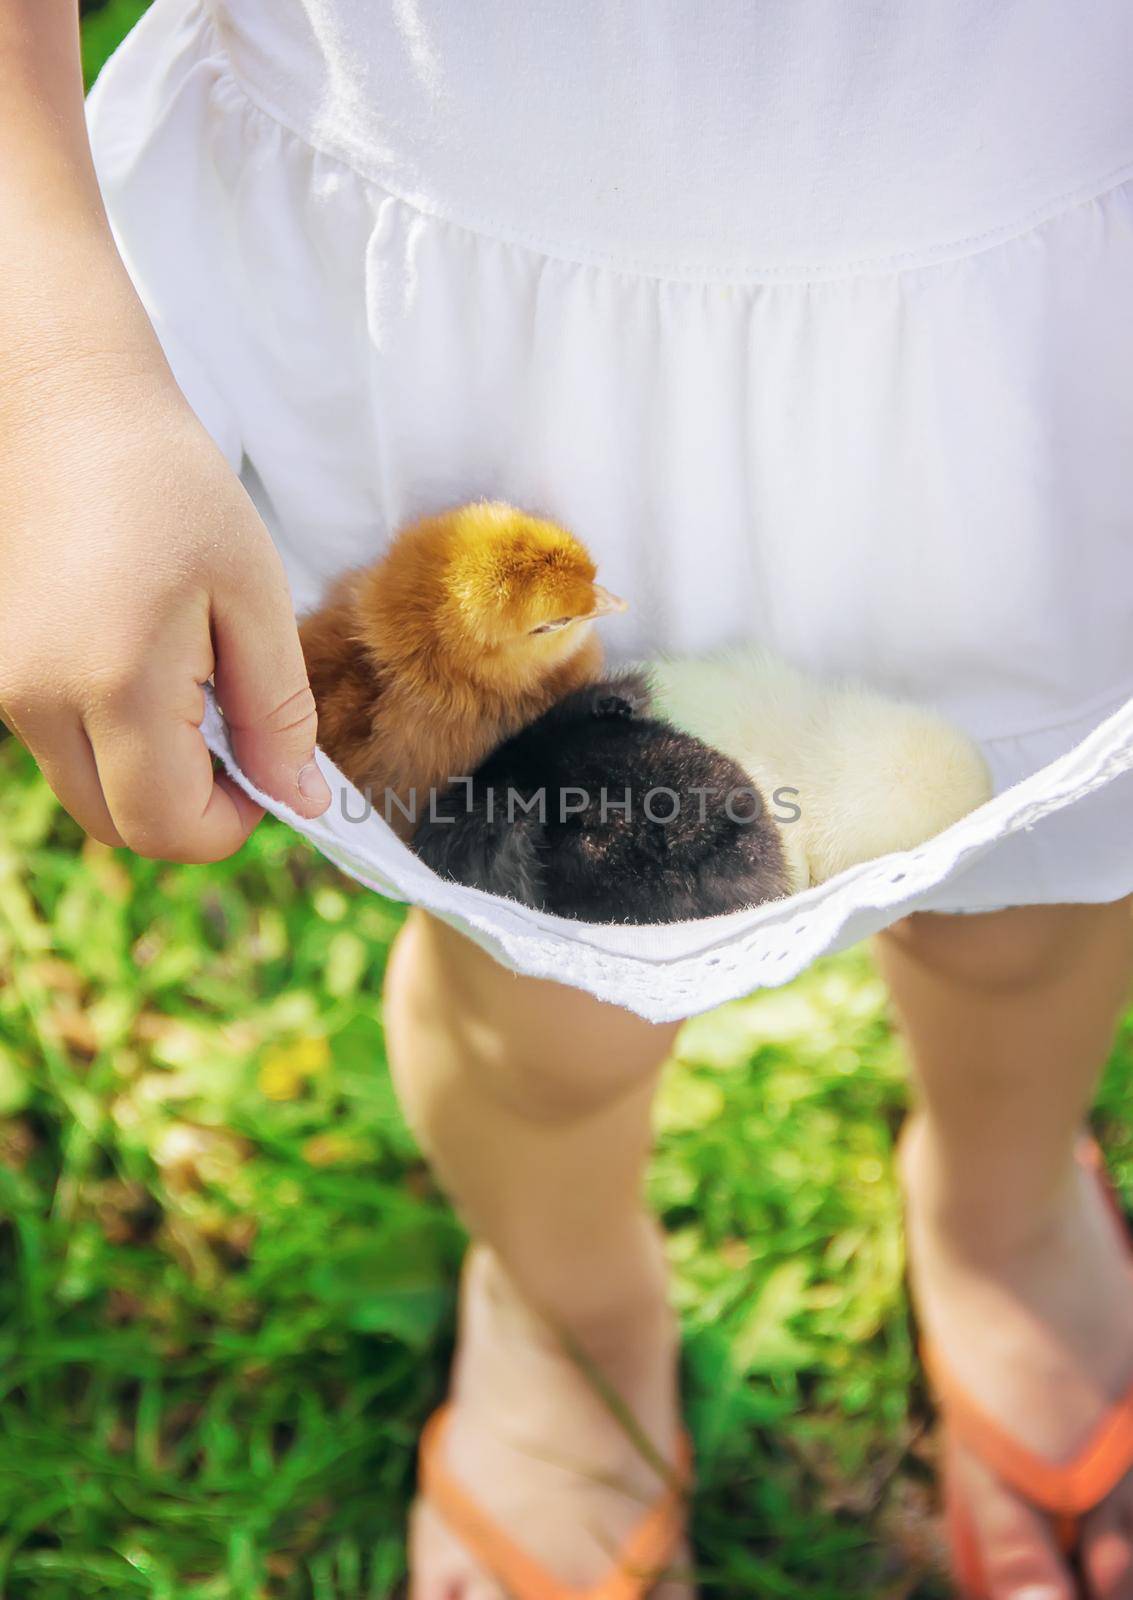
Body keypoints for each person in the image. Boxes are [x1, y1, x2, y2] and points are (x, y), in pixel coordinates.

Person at [3, 4, 1133, 1595]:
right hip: (483, 343)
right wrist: (52, 361)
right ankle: (567, 1310)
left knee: (1027, 907)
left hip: (1030, 316)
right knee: (540, 996)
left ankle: (1005, 1215)